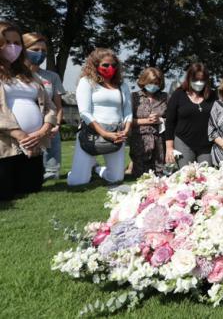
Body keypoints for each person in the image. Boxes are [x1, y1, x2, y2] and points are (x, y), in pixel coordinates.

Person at [0, 21, 56, 200]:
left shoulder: (28, 74)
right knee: (6, 194)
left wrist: (44, 129)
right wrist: (20, 135)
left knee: (31, 192)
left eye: (17, 43)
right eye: (7, 42)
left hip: (34, 146)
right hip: (6, 146)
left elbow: (49, 106)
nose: (13, 47)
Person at [67, 48, 132, 186]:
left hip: (116, 133)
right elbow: (84, 112)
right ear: (95, 65)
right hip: (91, 133)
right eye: (106, 65)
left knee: (116, 179)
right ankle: (77, 172)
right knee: (78, 182)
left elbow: (128, 112)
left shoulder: (122, 86)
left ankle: (97, 169)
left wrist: (125, 130)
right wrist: (104, 133)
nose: (110, 68)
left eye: (114, 65)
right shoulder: (87, 82)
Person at [22, 32, 65, 180]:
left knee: (51, 174)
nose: (40, 53)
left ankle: (51, 173)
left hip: (49, 129)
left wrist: (56, 125)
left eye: (44, 51)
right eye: (35, 50)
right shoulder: (12, 75)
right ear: (23, 49)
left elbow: (58, 106)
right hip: (24, 132)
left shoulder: (52, 77)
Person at [165, 63, 215, 168]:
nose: (199, 83)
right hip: (183, 142)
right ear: (189, 78)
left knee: (208, 176)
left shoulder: (213, 96)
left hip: (207, 144)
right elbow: (169, 122)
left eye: (202, 80)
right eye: (196, 80)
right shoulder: (178, 94)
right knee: (186, 176)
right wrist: (169, 148)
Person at [129, 67, 168, 177]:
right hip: (140, 141)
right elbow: (126, 121)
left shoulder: (165, 97)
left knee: (160, 174)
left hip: (160, 141)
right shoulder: (134, 97)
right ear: (144, 81)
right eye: (151, 83)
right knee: (140, 176)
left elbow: (172, 119)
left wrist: (160, 120)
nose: (154, 86)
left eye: (156, 83)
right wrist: (147, 120)